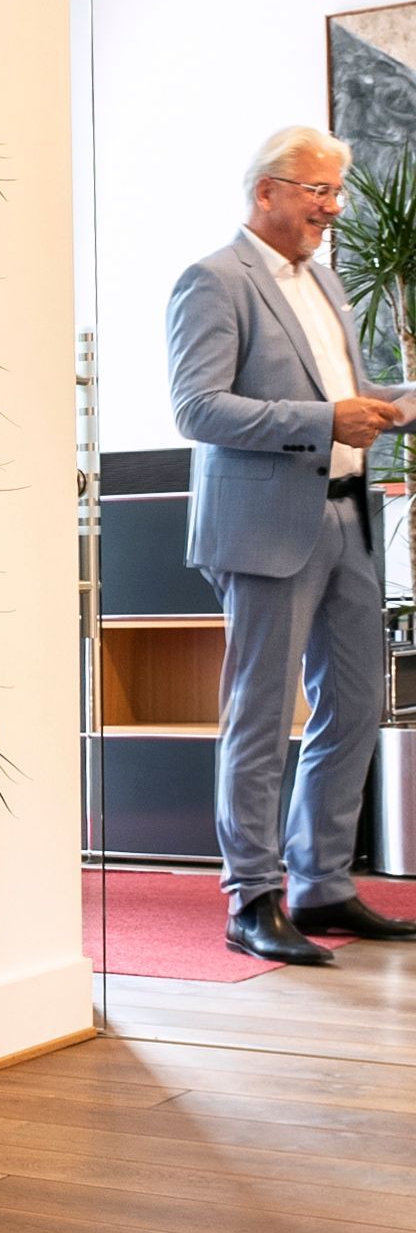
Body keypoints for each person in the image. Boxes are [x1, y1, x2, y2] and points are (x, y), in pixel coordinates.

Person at [167, 124, 416, 966]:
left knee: (354, 706)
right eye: (318, 191)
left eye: (336, 192)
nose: (333, 207)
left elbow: (350, 396)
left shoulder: (325, 282)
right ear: (266, 190)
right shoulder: (214, 280)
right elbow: (197, 408)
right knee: (263, 716)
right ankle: (251, 898)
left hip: (347, 523)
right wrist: (323, 420)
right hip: (266, 531)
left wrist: (394, 401)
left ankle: (321, 884)